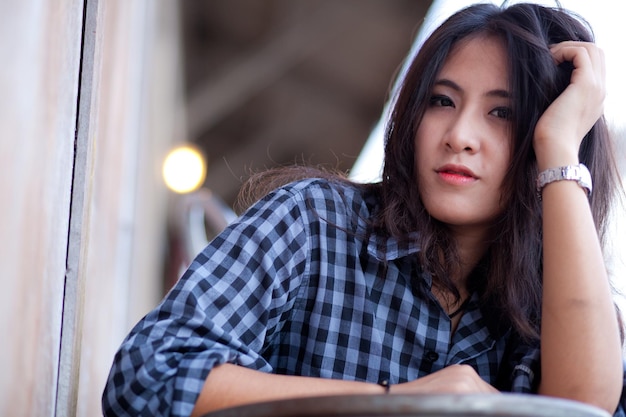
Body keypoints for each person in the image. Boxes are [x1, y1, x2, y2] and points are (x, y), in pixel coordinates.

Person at [102, 2, 626, 417]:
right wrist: (393, 401)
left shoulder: (557, 303)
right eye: (441, 101)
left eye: (502, 113)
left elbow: (582, 408)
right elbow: (149, 375)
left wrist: (558, 151)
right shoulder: (313, 223)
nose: (460, 136)